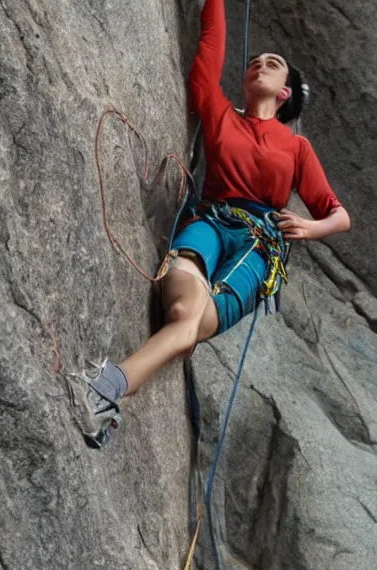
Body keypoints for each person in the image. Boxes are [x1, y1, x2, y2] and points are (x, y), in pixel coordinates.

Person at [74, 0, 351, 447]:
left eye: (273, 63)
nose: (260, 63)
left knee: (190, 324)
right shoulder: (219, 112)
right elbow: (212, 40)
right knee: (183, 315)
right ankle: (107, 390)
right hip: (210, 220)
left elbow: (339, 215)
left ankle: (106, 389)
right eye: (254, 62)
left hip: (258, 247)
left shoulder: (296, 147)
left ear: (284, 93)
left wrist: (311, 227)